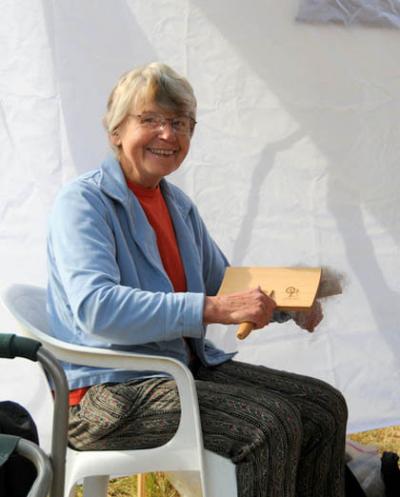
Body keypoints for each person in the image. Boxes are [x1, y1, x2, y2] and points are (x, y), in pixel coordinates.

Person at [47, 62, 348, 497]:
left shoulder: (177, 205)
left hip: (180, 370)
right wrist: (213, 308)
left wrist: (289, 301)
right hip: (103, 395)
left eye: (180, 123)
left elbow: (224, 285)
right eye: (150, 119)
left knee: (324, 407)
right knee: (270, 423)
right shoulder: (83, 203)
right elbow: (98, 308)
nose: (168, 134)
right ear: (116, 132)